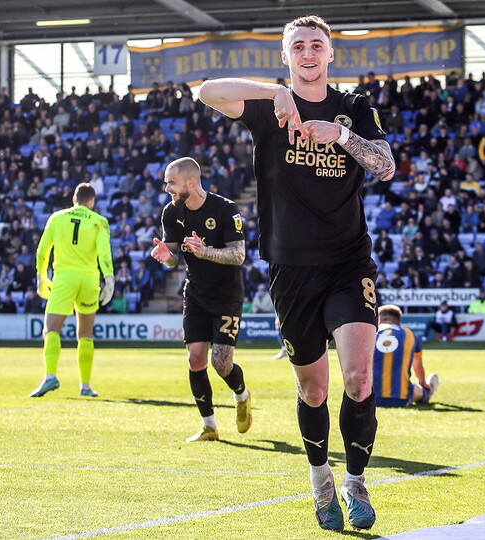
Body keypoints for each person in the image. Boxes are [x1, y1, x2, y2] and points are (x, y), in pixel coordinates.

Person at [198, 15, 395, 531]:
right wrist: (273, 93)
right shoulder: (268, 107)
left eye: (317, 45)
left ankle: (355, 483)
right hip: (290, 267)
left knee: (359, 376)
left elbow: (386, 165)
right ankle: (320, 483)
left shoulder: (354, 108)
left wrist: (342, 136)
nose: (309, 53)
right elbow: (206, 90)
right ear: (287, 57)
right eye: (298, 47)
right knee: (313, 390)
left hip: (349, 263)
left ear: (331, 55)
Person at [151, 157, 253, 442]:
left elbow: (239, 255)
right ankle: (209, 426)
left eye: (171, 182)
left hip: (227, 296)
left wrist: (205, 251)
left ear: (191, 182)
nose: (166, 188)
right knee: (196, 359)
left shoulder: (226, 209)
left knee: (221, 364)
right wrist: (167, 258)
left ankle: (242, 394)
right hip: (195, 293)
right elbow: (173, 256)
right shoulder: (171, 213)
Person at [29, 182, 115, 398]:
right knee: (85, 334)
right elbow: (104, 252)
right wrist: (109, 277)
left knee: (51, 330)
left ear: (73, 199)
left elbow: (42, 251)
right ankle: (85, 386)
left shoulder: (57, 218)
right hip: (89, 279)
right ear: (92, 202)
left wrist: (41, 276)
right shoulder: (99, 221)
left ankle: (50, 377)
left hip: (65, 278)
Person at [373, 304, 438, 407]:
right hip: (400, 399)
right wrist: (422, 383)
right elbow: (418, 367)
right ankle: (427, 391)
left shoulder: (371, 334)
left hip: (369, 400)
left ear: (379, 320)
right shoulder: (410, 335)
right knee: (418, 389)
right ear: (398, 320)